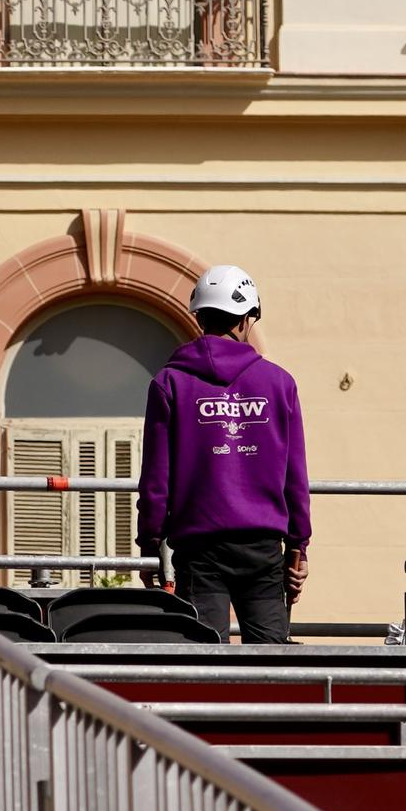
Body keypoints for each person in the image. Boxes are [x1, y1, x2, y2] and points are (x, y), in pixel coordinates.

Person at [137, 264, 310, 643]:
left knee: (205, 664)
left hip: (199, 550)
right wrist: (299, 545)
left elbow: (155, 477)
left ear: (199, 317)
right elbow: (294, 475)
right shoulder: (279, 383)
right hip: (263, 548)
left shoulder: (169, 383)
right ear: (248, 319)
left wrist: (150, 542)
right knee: (271, 665)